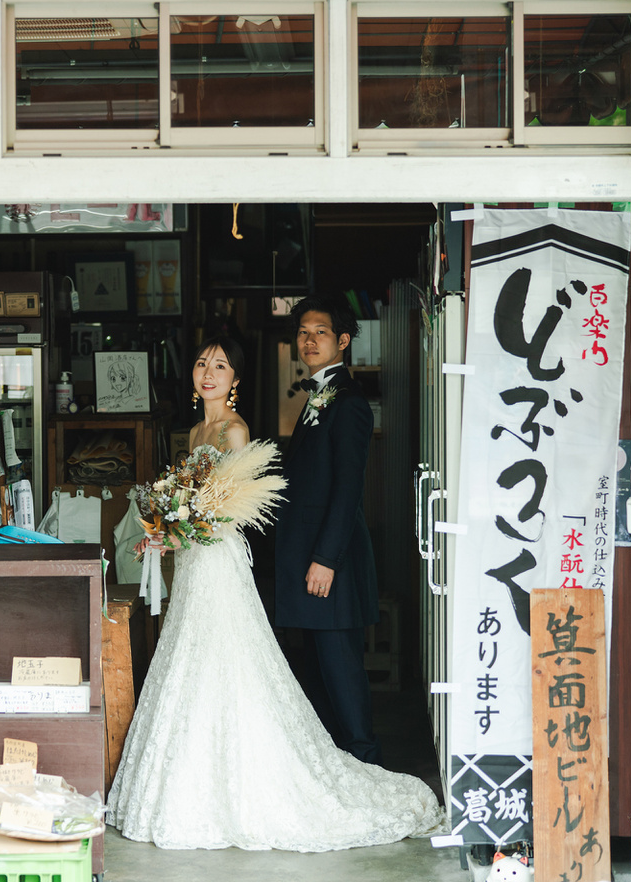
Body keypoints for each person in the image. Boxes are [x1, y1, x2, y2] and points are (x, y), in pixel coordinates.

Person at [107, 336, 442, 851]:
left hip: (218, 563)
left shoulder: (235, 431)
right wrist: (167, 529)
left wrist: (180, 526)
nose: (208, 372)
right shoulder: (196, 431)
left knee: (229, 657)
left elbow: (231, 512)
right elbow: (197, 504)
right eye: (202, 363)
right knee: (194, 658)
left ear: (235, 380)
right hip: (196, 564)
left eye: (220, 365)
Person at [275, 295, 381, 764]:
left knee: (341, 671)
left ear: (342, 340)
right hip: (309, 557)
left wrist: (326, 559)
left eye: (319, 332)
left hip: (330, 563)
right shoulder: (321, 394)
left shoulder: (350, 402)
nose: (309, 339)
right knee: (319, 668)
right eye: (302, 332)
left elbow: (347, 489)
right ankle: (341, 766)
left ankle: (366, 764)